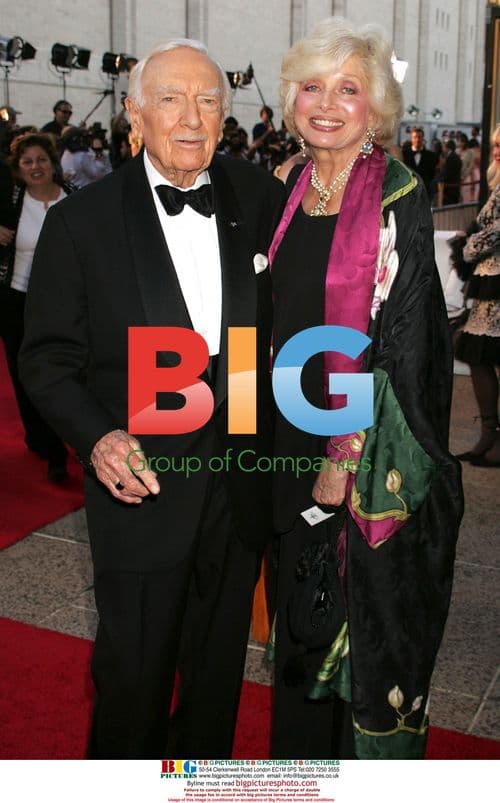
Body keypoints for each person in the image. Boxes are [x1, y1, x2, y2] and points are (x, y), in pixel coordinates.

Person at [19, 38, 284, 759]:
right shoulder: (83, 221)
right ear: (135, 115)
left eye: (207, 100)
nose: (191, 117)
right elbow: (45, 358)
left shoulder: (258, 196)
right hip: (141, 491)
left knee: (215, 680)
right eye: (170, 98)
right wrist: (98, 437)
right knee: (132, 680)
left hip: (238, 488)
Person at [267, 16, 463, 760]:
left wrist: (343, 453)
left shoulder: (399, 197)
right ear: (290, 99)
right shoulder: (287, 185)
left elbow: (401, 345)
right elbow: (267, 318)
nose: (326, 103)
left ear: (375, 107)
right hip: (282, 436)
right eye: (311, 86)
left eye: (348, 89)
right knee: (300, 619)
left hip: (356, 452)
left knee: (352, 635)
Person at [0, 133, 70, 481]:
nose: (35, 167)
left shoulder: (73, 200)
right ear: (18, 169)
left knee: (69, 372)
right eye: (27, 161)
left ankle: (71, 432)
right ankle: (48, 445)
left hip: (67, 302)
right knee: (27, 374)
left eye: (41, 159)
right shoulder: (10, 204)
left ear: (52, 162)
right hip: (18, 301)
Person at [454, 125, 500, 466]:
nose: (497, 149)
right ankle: (488, 434)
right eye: (496, 143)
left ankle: (494, 439)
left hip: (495, 280)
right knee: (477, 354)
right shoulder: (496, 185)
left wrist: (468, 247)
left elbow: (493, 233)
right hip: (488, 284)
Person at [402, 126, 436, 196]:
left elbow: (432, 174)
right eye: (415, 137)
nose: (417, 140)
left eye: (419, 137)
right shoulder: (404, 154)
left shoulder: (431, 156)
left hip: (425, 192)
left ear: (423, 138)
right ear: (411, 139)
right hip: (408, 193)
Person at [439, 139, 462, 204]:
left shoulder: (452, 157)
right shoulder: (453, 156)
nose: (442, 149)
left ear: (447, 147)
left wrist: (441, 179)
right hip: (452, 187)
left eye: (443, 147)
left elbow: (448, 173)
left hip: (451, 189)